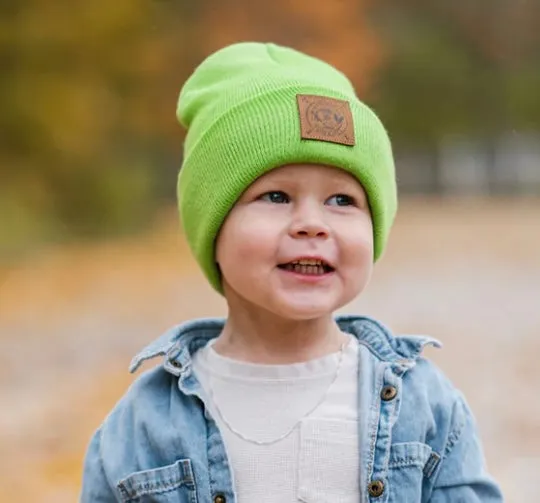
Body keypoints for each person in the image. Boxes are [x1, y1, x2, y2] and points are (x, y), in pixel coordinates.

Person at [81, 42, 503, 502]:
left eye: (342, 200)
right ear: (213, 228)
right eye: (277, 197)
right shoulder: (145, 426)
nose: (312, 224)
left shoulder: (423, 406)